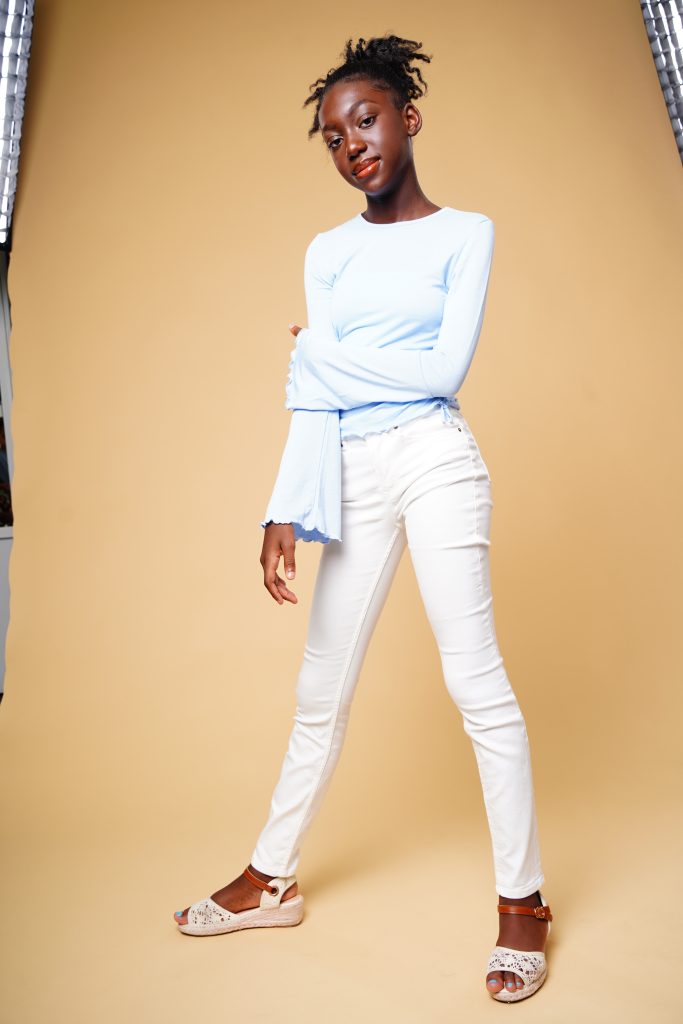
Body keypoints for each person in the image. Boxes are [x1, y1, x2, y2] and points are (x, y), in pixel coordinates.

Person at [173, 34, 553, 1004]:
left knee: (475, 682)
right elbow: (315, 395)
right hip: (347, 468)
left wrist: (323, 357)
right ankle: (272, 878)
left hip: (434, 457)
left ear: (407, 117)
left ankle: (522, 901)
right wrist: (283, 504)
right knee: (319, 686)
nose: (353, 145)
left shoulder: (465, 234)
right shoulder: (327, 252)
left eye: (367, 120)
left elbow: (441, 371)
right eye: (335, 136)